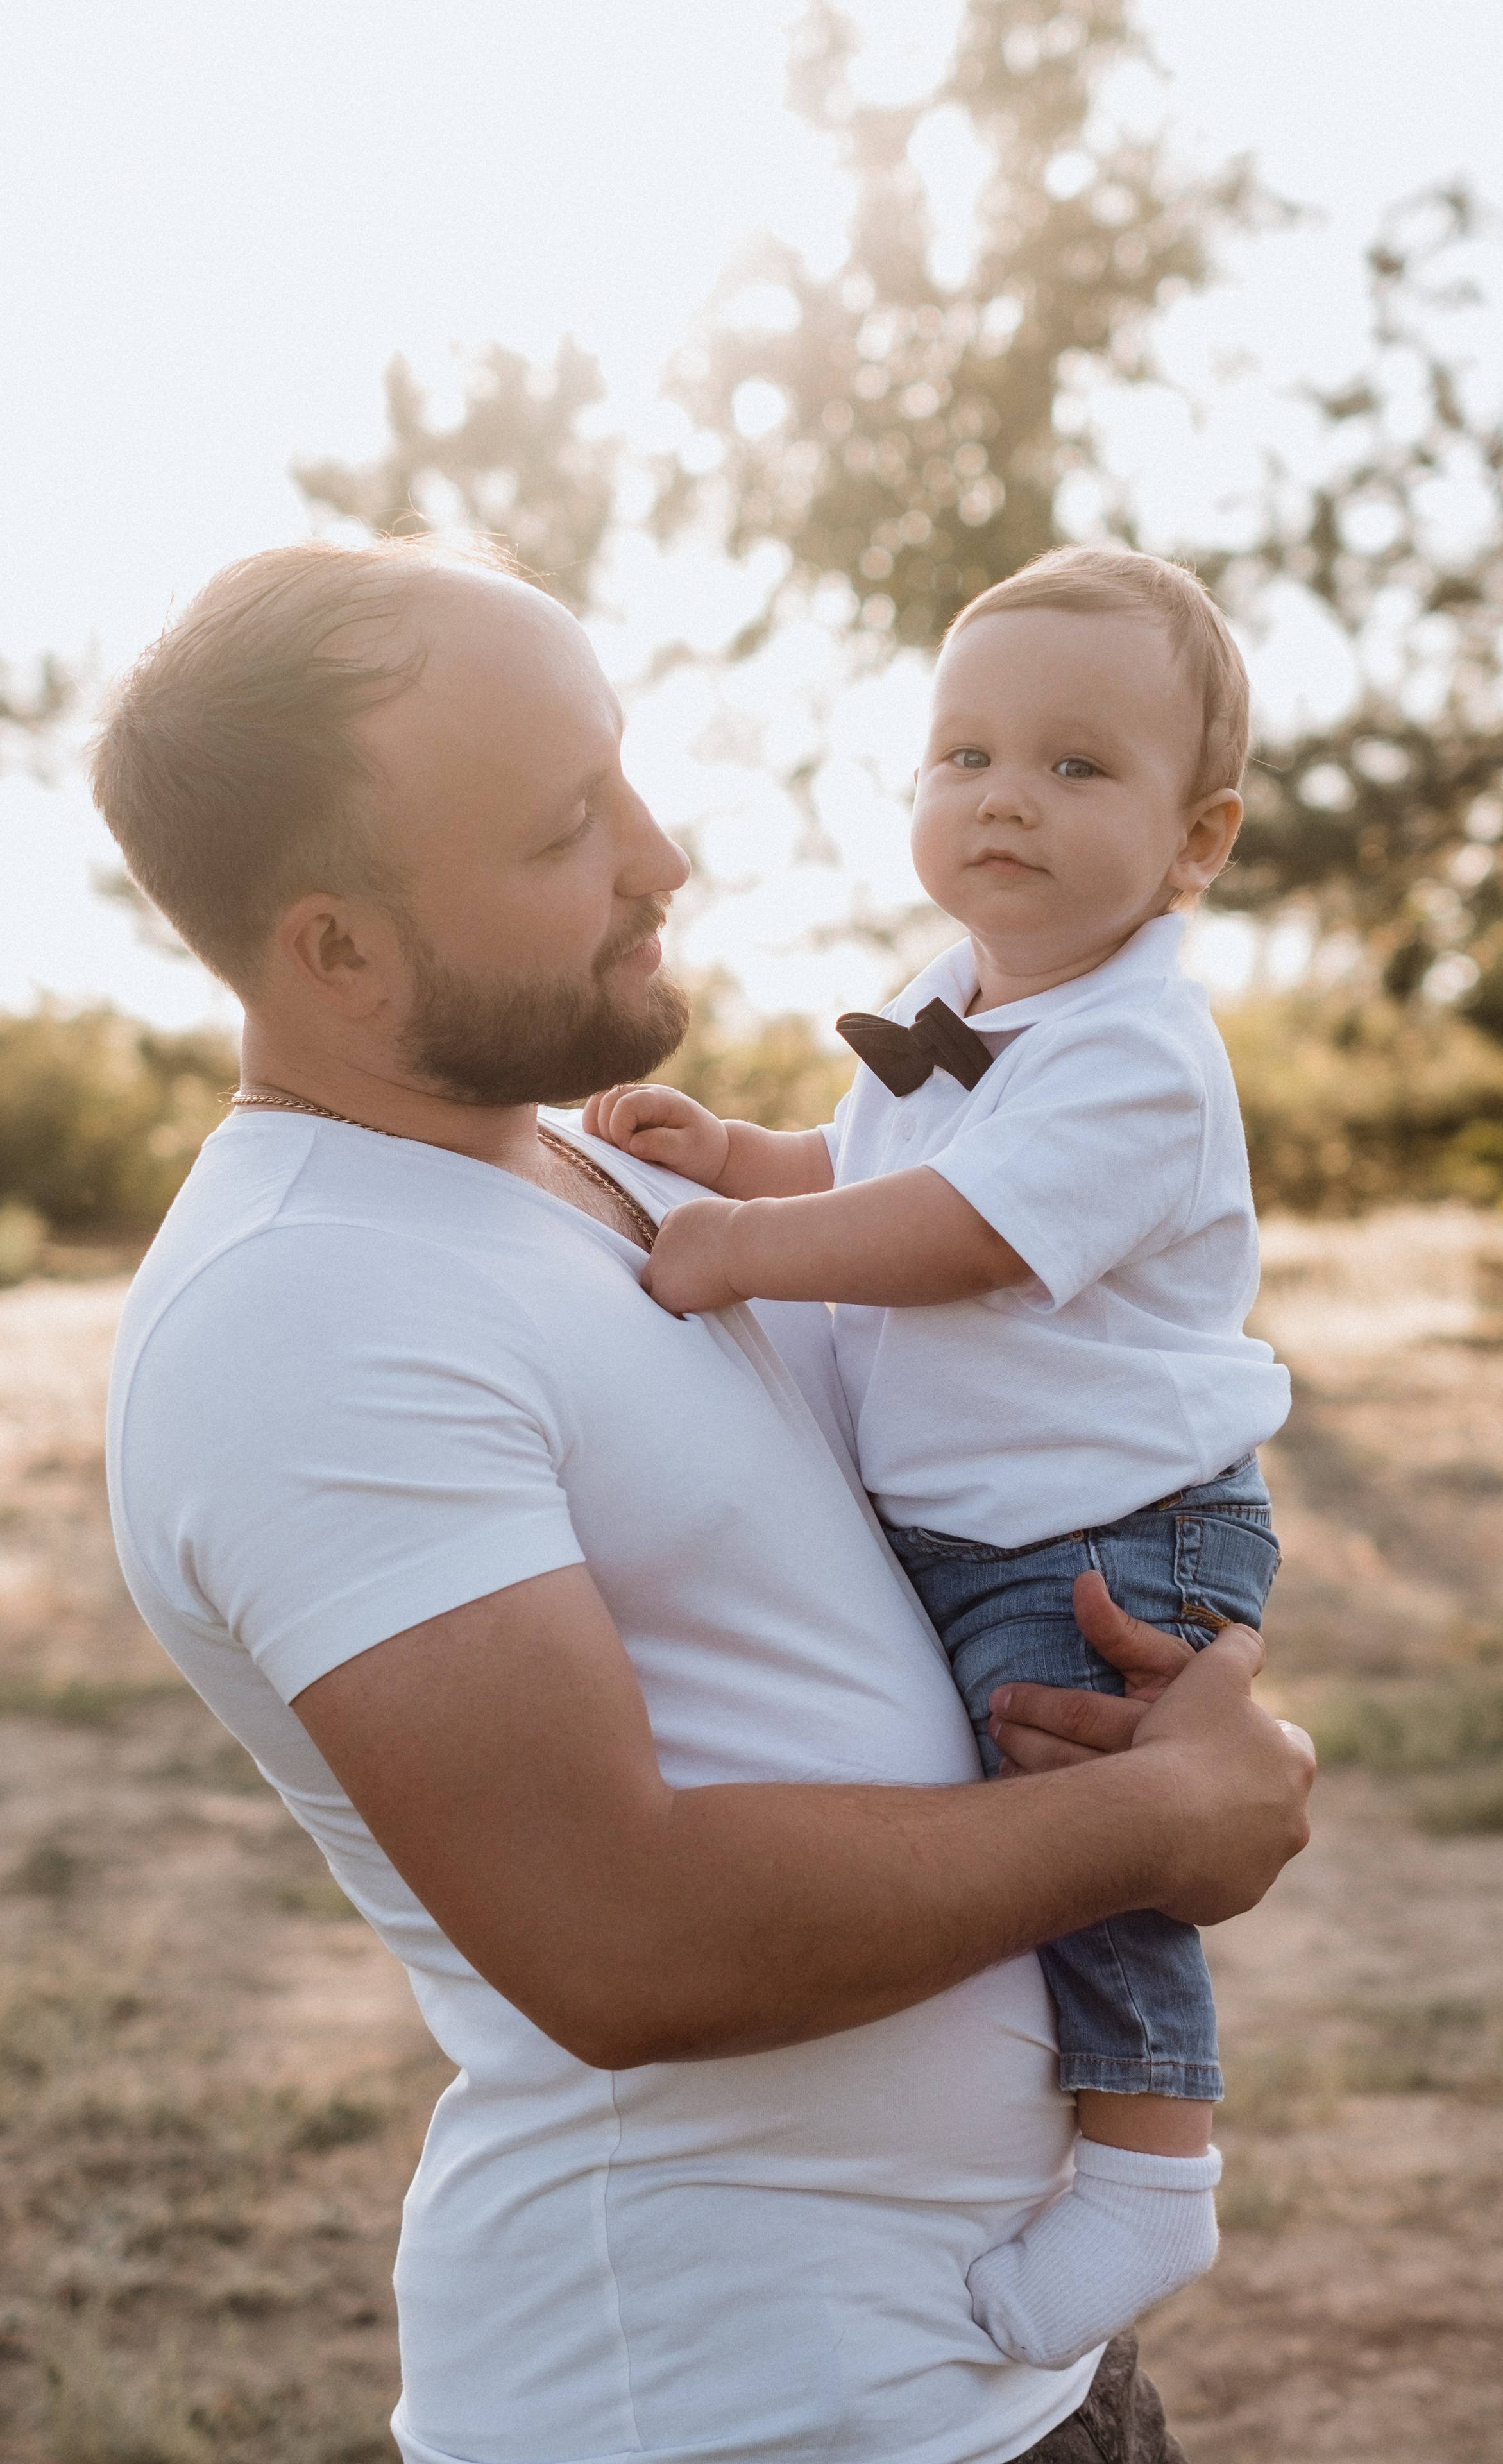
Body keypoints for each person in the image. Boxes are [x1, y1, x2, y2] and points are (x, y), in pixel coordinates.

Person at [92, 537, 1314, 2464]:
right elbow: (626, 1940)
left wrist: (1170, 1686)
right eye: (572, 823)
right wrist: (1158, 1820)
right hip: (732, 2414)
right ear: (335, 949)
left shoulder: (628, 1196)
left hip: (996, 2380)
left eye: (631, 775)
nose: (663, 857)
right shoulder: (303, 1304)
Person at [586, 547, 1289, 2371]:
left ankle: (1152, 2163)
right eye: (963, 754)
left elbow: (962, 1232)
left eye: (1076, 767)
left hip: (1114, 1533)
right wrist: (744, 1158)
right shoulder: (964, 996)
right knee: (1018, 1800)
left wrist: (736, 1252)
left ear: (1196, 843)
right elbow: (880, 1167)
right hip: (1005, 1525)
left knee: (1090, 1827)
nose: (1004, 798)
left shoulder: (1138, 1051)